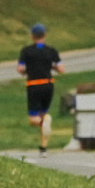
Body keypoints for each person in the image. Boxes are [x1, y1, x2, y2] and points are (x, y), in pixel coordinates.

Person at [16, 22, 63, 152]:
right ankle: (43, 146)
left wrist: (28, 71)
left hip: (33, 85)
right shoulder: (51, 51)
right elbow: (61, 69)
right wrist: (50, 66)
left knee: (33, 120)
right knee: (44, 113)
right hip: (48, 84)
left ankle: (44, 122)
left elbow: (20, 68)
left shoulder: (26, 51)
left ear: (32, 36)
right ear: (45, 35)